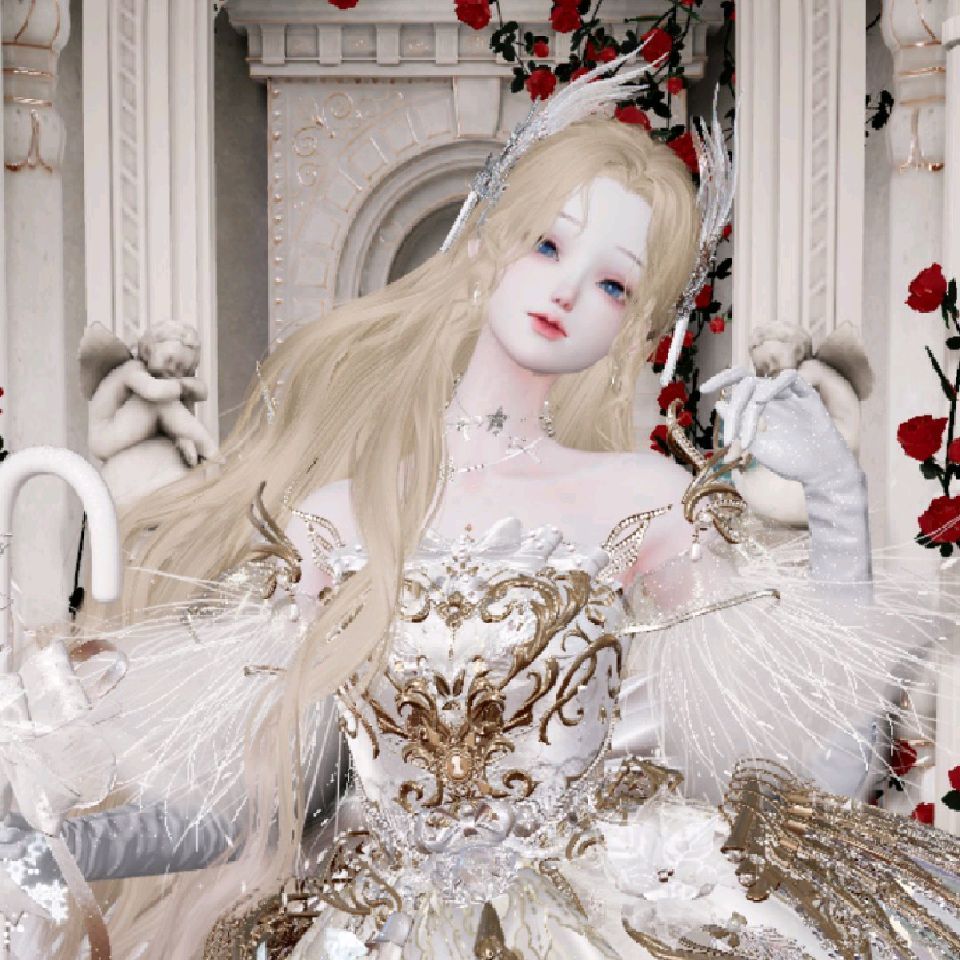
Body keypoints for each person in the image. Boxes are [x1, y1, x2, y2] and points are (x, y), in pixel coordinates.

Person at [4, 62, 958, 960]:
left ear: (630, 325)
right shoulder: (336, 519)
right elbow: (262, 804)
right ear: (484, 249)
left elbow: (821, 772)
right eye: (548, 243)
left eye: (613, 283)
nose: (568, 290)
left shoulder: (646, 501)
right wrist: (51, 846)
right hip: (373, 927)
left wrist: (838, 494)